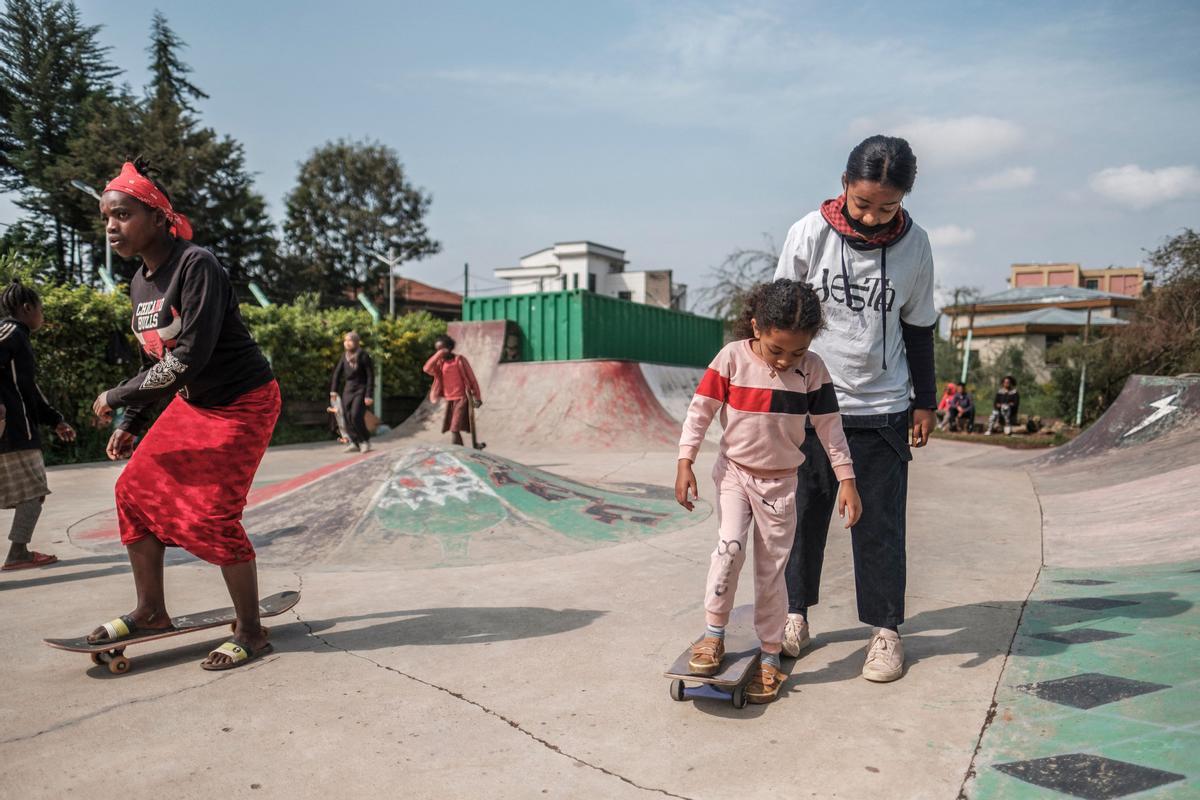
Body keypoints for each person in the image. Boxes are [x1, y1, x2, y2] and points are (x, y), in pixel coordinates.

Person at [87, 159, 280, 670]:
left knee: (214, 513)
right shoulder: (138, 285)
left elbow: (186, 358)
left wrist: (117, 398)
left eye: (123, 215)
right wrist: (130, 424)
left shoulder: (198, 265)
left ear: (157, 218)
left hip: (243, 402)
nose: (112, 226)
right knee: (131, 491)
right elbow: (155, 359)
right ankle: (151, 610)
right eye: (107, 216)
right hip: (193, 402)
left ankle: (252, 629)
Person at [773, 135, 937, 682]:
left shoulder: (916, 246)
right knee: (799, 519)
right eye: (862, 203)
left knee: (879, 526)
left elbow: (918, 326)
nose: (870, 217)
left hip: (881, 409)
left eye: (885, 207)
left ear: (905, 198)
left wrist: (925, 400)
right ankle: (793, 615)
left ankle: (886, 632)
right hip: (810, 403)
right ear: (844, 184)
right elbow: (779, 316)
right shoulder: (808, 233)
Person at [675, 279, 862, 704]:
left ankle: (771, 654)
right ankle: (713, 634)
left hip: (781, 482)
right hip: (735, 475)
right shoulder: (731, 359)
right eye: (777, 350)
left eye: (796, 352)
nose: (785, 360)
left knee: (771, 571)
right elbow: (700, 411)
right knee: (729, 549)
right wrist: (684, 461)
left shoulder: (812, 369)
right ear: (756, 327)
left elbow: (831, 429)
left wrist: (847, 480)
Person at [0, 280, 77, 570]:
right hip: (13, 433)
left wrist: (55, 420)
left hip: (19, 430)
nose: (42, 316)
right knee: (34, 491)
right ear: (27, 307)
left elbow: (29, 391)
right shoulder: (10, 332)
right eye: (41, 309)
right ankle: (18, 553)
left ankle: (19, 551)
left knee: (32, 492)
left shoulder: (18, 337)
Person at [423, 334, 482, 447]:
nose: (440, 352)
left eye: (442, 349)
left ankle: (458, 452)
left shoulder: (459, 360)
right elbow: (426, 368)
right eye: (437, 350)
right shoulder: (440, 363)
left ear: (449, 348)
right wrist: (439, 354)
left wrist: (477, 397)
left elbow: (472, 379)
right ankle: (462, 450)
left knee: (454, 428)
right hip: (450, 399)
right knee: (454, 429)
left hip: (462, 398)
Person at [330, 331, 374, 453]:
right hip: (348, 389)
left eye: (350, 340)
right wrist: (333, 391)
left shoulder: (363, 355)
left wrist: (368, 395)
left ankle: (365, 441)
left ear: (356, 342)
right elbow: (337, 374)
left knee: (355, 415)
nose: (347, 343)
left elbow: (370, 375)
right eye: (345, 340)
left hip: (361, 389)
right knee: (347, 416)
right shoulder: (344, 356)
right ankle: (354, 442)